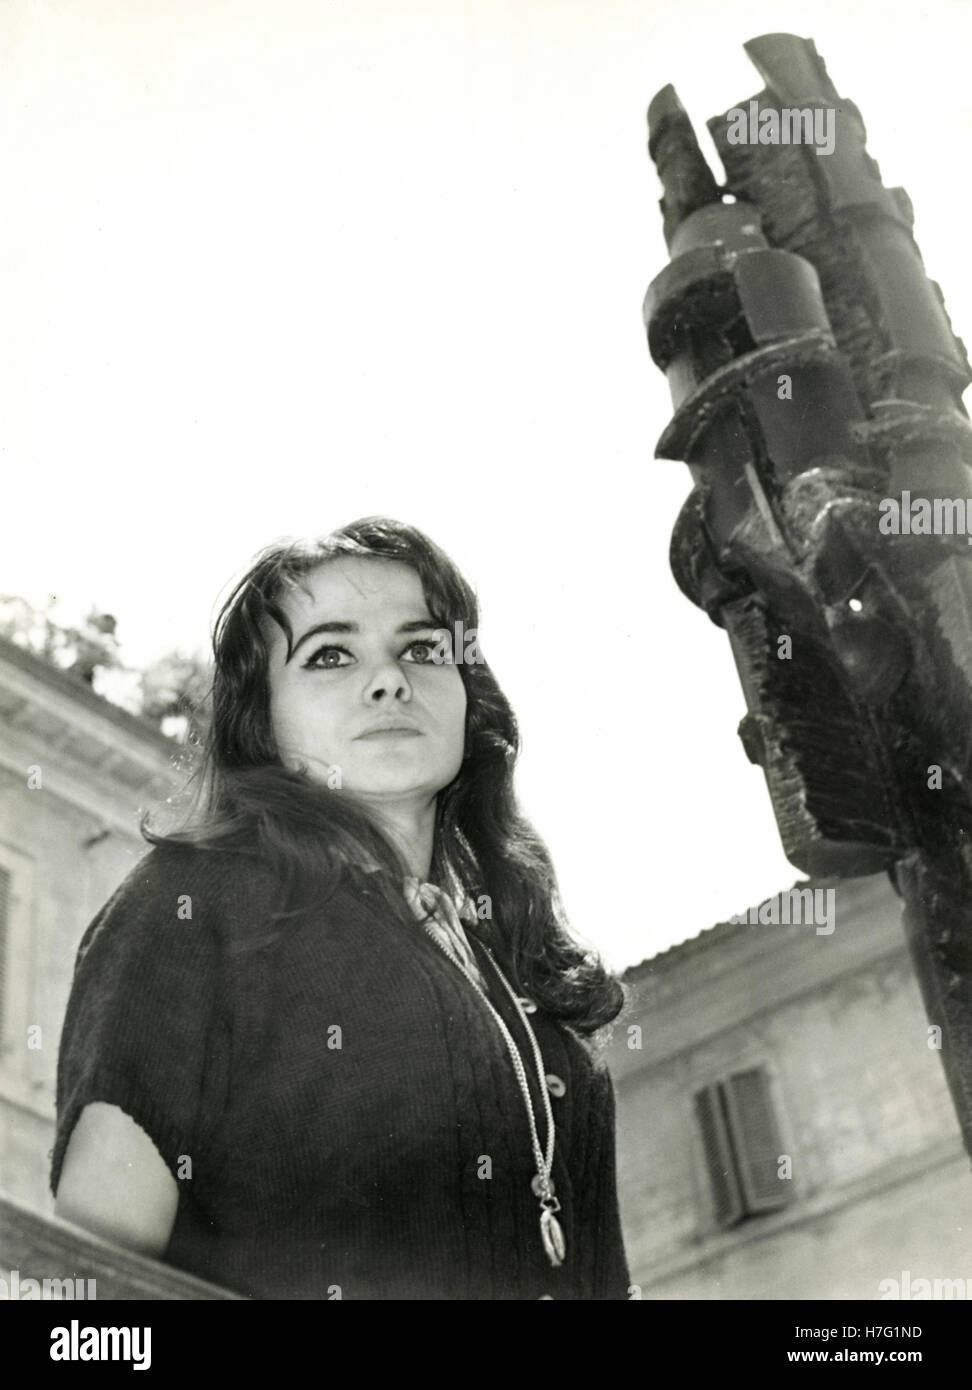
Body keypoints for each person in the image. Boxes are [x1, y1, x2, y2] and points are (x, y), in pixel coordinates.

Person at [51, 517, 631, 1300]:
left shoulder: (528, 984)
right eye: (330, 655)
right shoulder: (191, 907)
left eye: (423, 649)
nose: (389, 680)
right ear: (264, 724)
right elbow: (86, 1294)